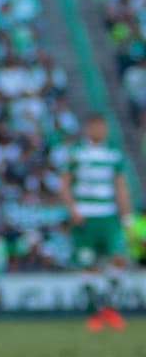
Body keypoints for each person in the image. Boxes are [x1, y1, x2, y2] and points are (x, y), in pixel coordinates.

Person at [59, 114, 132, 330]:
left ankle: (110, 308)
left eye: (102, 127)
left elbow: (120, 187)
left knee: (118, 259)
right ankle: (93, 313)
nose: (100, 131)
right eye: (96, 127)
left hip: (108, 216)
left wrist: (126, 216)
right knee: (88, 265)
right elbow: (64, 184)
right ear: (88, 128)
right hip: (85, 217)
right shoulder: (76, 154)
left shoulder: (113, 155)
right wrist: (73, 210)